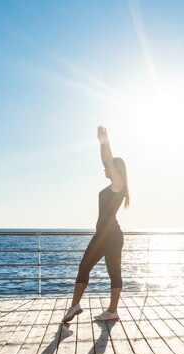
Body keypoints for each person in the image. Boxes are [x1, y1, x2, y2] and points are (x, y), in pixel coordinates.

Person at [62, 126, 129, 323]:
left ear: (116, 171)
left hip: (108, 236)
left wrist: (104, 143)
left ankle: (78, 306)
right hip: (108, 234)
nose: (105, 169)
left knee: (90, 268)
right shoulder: (114, 187)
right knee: (101, 270)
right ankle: (108, 310)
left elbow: (107, 160)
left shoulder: (119, 185)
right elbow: (107, 162)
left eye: (109, 168)